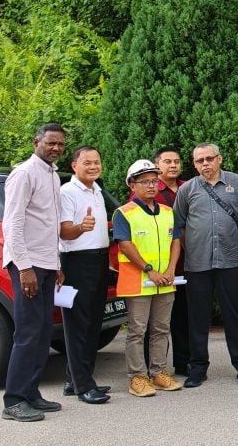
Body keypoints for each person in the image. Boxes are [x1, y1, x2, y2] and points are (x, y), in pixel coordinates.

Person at [0, 123, 68, 422]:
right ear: (36, 142)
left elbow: (48, 224)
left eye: (61, 145)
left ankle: (30, 392)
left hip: (46, 263)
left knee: (42, 333)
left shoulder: (52, 175)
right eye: (51, 143)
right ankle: (13, 400)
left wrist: (57, 265)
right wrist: (24, 267)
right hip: (27, 264)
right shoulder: (24, 173)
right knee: (27, 333)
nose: (56, 148)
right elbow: (12, 223)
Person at [174, 143, 238, 387]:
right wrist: (193, 249)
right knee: (197, 318)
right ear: (194, 164)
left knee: (236, 316)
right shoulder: (187, 189)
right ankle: (197, 368)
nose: (205, 164)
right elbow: (180, 224)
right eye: (200, 161)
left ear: (219, 159)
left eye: (209, 159)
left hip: (231, 260)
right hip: (197, 264)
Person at [114, 160, 184, 397]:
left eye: (154, 180)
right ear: (132, 184)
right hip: (138, 283)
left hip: (165, 281)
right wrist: (149, 270)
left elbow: (176, 240)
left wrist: (171, 269)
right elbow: (125, 244)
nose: (152, 185)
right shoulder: (124, 213)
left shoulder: (167, 212)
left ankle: (159, 372)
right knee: (137, 331)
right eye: (145, 182)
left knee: (162, 329)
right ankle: (137, 377)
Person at [57, 145, 111, 404]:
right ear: (74, 166)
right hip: (77, 262)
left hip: (99, 261)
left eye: (96, 162)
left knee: (92, 323)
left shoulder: (97, 190)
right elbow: (64, 231)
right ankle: (83, 386)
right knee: (79, 325)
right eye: (87, 162)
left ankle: (76, 379)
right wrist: (81, 227)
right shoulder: (67, 191)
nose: (93, 167)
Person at [145, 147, 191, 376]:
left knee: (183, 316)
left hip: (186, 264)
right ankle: (153, 367)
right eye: (167, 161)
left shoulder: (189, 187)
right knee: (155, 322)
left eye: (176, 161)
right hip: (156, 268)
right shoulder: (148, 190)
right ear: (157, 165)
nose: (173, 165)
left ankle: (184, 363)